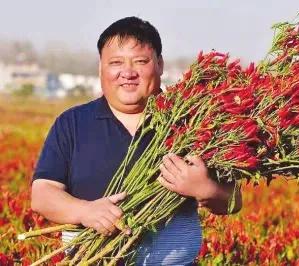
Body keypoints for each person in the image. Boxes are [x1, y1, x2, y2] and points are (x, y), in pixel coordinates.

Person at [31, 16, 242, 265]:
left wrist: (206, 190)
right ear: (101, 67)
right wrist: (85, 211)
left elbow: (233, 201)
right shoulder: (73, 123)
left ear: (160, 64)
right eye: (116, 63)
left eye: (140, 61)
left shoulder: (192, 124)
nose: (128, 73)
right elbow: (42, 194)